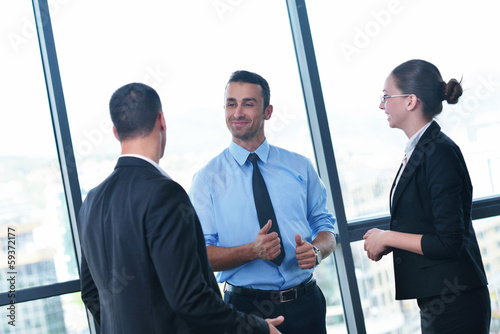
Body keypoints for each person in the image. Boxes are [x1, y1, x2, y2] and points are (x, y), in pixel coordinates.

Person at [77, 82, 284, 333]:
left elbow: (90, 292)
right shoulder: (165, 193)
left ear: (115, 132)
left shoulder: (92, 200)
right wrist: (259, 329)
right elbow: (190, 299)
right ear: (161, 121)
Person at [188, 70, 336, 334]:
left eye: (248, 103)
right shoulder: (207, 180)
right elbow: (201, 255)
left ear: (267, 112)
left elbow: (326, 229)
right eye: (231, 103)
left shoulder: (299, 167)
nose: (238, 112)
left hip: (307, 303)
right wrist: (251, 251)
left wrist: (316, 251)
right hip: (246, 312)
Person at [363, 59, 490, 333]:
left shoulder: (440, 152)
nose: (381, 105)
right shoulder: (422, 148)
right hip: (439, 299)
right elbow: (426, 222)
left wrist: (388, 237)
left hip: (457, 302)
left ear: (411, 101)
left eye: (386, 96)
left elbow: (449, 242)